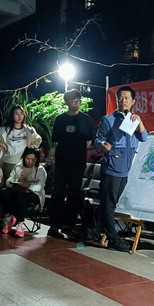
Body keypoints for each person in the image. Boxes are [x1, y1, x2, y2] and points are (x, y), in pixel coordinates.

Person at [91, 86, 147, 252]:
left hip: (126, 168)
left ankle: (92, 228)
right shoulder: (108, 119)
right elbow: (98, 140)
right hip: (112, 166)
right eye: (120, 98)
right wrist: (102, 145)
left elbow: (144, 138)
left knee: (108, 202)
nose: (123, 101)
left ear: (133, 101)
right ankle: (113, 238)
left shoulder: (134, 119)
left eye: (127, 98)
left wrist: (140, 122)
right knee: (109, 204)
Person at [48, 89, 94, 238]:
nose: (76, 103)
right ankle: (54, 225)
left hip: (78, 161)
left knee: (74, 193)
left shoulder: (86, 119)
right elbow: (56, 140)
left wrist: (78, 149)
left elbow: (89, 140)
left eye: (78, 100)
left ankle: (68, 225)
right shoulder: (60, 119)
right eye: (73, 101)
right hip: (62, 161)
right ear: (66, 102)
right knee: (58, 193)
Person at [0, 147, 47, 238]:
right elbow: (8, 181)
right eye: (27, 158)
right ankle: (8, 218)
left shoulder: (40, 170)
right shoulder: (18, 166)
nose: (30, 161)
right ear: (23, 157)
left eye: (33, 159)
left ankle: (20, 223)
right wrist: (17, 182)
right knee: (3, 192)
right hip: (17, 190)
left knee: (20, 196)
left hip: (33, 194)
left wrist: (29, 186)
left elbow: (40, 186)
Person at [0, 105, 42, 184]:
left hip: (24, 163)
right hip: (9, 161)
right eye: (16, 113)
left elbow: (38, 139)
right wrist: (3, 145)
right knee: (9, 184)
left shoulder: (29, 130)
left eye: (21, 113)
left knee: (23, 184)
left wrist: (30, 149)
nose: (19, 116)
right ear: (12, 115)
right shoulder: (4, 130)